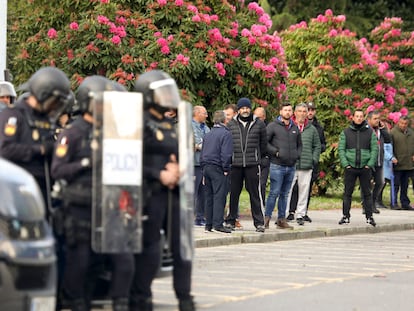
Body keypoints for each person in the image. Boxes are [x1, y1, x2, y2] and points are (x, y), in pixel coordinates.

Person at [51, 76, 134, 311]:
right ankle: (78, 302)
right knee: (81, 262)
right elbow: (58, 170)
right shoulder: (73, 133)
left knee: (121, 261)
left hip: (109, 206)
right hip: (80, 207)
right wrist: (87, 163)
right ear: (88, 103)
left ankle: (120, 302)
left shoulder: (110, 133)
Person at [130, 70, 195, 311]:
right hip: (149, 193)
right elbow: (130, 160)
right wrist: (159, 174)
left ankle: (185, 297)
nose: (169, 97)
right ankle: (141, 297)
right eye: (162, 92)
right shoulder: (137, 123)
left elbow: (177, 152)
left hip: (173, 193)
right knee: (150, 248)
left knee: (181, 247)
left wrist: (179, 167)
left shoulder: (167, 123)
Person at [0, 67, 72, 219]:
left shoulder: (47, 120)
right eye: (54, 101)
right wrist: (39, 149)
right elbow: (5, 150)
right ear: (43, 94)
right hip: (19, 191)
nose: (55, 106)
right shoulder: (14, 116)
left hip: (45, 191)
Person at [225, 98, 267, 232]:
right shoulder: (231, 124)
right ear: (238, 110)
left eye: (247, 108)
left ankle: (259, 222)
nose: (245, 110)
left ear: (250, 109)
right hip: (235, 164)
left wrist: (259, 158)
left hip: (252, 164)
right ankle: (230, 220)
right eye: (242, 108)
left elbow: (263, 144)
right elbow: (227, 144)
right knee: (234, 194)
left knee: (255, 194)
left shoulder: (259, 124)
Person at [264, 102, 302, 229]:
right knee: (274, 192)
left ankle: (281, 219)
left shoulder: (294, 127)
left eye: (290, 110)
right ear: (280, 112)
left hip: (291, 166)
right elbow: (265, 142)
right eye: (285, 110)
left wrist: (297, 154)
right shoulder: (273, 126)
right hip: (277, 165)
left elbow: (299, 144)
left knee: (285, 194)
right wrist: (275, 152)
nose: (288, 112)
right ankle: (266, 218)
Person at [288, 101, 327, 223]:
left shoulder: (312, 129)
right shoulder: (289, 126)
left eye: (304, 111)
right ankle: (285, 213)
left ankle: (300, 214)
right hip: (291, 163)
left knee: (304, 191)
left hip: (306, 164)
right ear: (295, 113)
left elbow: (317, 146)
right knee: (287, 190)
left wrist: (313, 159)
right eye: (299, 111)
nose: (302, 114)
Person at [338, 109, 378, 226]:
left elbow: (374, 149)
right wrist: (346, 164)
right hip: (350, 167)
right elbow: (341, 149)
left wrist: (369, 164)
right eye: (357, 116)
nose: (359, 118)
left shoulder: (370, 132)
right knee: (347, 193)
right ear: (353, 118)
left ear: (363, 118)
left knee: (367, 193)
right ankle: (345, 216)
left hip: (365, 168)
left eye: (361, 116)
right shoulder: (346, 132)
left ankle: (369, 216)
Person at [200, 110, 233, 233]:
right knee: (219, 196)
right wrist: (226, 168)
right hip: (218, 167)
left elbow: (203, 152)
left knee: (209, 196)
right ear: (224, 120)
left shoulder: (208, 134)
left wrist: (203, 169)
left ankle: (208, 224)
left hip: (206, 167)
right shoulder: (226, 134)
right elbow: (226, 153)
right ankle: (218, 223)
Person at [365, 110, 392, 212]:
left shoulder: (380, 130)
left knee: (380, 182)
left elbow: (388, 140)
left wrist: (383, 128)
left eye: (378, 118)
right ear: (369, 119)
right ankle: (367, 206)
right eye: (375, 119)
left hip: (379, 161)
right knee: (366, 185)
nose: (377, 121)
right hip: (368, 161)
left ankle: (372, 203)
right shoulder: (365, 129)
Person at [390, 115, 414, 210]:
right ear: (398, 122)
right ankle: (394, 203)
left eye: (405, 124)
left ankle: (405, 203)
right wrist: (392, 158)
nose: (403, 125)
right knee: (395, 185)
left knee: (405, 185)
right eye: (401, 123)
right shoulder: (392, 133)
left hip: (409, 164)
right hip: (397, 164)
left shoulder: (411, 133)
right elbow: (389, 147)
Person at [192, 105, 210, 226]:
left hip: (204, 164)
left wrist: (201, 145)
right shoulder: (189, 126)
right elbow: (196, 144)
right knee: (192, 192)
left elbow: (205, 144)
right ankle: (188, 218)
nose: (207, 115)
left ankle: (200, 217)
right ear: (197, 113)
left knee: (203, 193)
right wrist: (201, 145)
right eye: (204, 113)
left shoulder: (206, 127)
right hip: (193, 164)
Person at [254, 106, 270, 207]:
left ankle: (261, 206)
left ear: (264, 117)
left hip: (264, 159)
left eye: (259, 117)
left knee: (262, 185)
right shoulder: (251, 126)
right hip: (252, 159)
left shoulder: (269, 128)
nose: (257, 120)